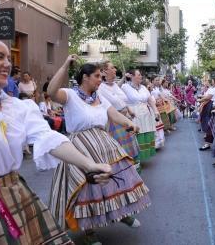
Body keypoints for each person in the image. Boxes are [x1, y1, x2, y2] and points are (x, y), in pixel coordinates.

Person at [0, 33, 111, 244]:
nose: (7, 64)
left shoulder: (19, 107)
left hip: (15, 194)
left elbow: (49, 138)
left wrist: (90, 164)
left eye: (9, 58)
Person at [47, 57, 151, 242]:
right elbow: (51, 91)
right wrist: (64, 65)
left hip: (105, 144)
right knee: (87, 189)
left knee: (115, 182)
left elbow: (114, 115)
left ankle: (121, 213)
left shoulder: (100, 97)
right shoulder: (69, 95)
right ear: (85, 77)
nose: (100, 80)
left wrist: (129, 123)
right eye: (96, 76)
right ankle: (89, 232)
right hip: (80, 149)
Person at [98, 61, 141, 167]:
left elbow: (122, 101)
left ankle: (133, 174)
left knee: (130, 149)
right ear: (104, 72)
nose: (115, 70)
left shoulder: (115, 86)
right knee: (121, 152)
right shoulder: (100, 88)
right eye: (112, 68)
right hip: (114, 123)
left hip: (125, 120)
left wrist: (129, 110)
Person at [121, 69, 159, 161]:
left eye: (140, 75)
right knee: (136, 135)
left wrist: (156, 111)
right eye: (138, 75)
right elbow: (120, 100)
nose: (141, 76)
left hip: (146, 115)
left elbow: (150, 100)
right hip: (134, 115)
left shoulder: (143, 87)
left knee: (145, 134)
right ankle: (136, 158)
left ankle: (143, 157)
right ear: (132, 76)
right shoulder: (125, 87)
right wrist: (123, 77)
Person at [198, 78, 215, 151]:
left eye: (212, 81)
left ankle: (208, 142)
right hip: (213, 106)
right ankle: (208, 141)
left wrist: (200, 100)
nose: (211, 82)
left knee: (209, 122)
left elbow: (208, 97)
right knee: (208, 122)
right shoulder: (214, 89)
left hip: (213, 107)